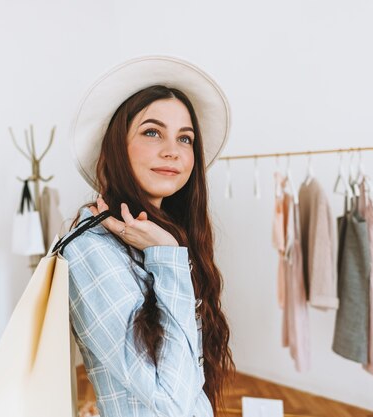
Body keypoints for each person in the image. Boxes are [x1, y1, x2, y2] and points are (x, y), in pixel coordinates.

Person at [62, 56, 234, 417]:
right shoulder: (91, 246)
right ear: (116, 145)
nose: (172, 149)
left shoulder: (161, 231)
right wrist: (168, 256)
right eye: (152, 132)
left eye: (185, 138)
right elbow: (170, 402)